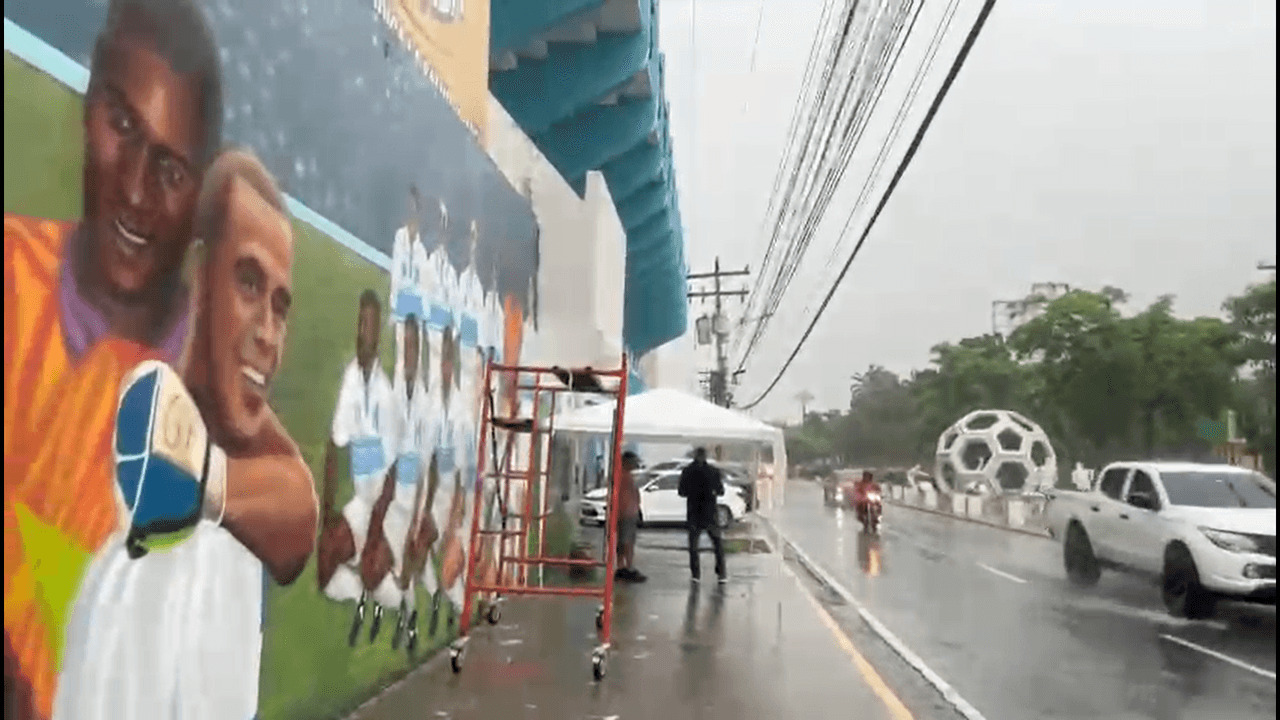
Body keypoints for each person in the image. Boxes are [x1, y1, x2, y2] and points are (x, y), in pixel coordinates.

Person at [4, 1, 223, 712]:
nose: (133, 190)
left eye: (172, 169)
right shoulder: (12, 273)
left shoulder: (214, 389)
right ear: (86, 105)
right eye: (122, 125)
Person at [48, 148, 317, 719]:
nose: (269, 334)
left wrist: (203, 481)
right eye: (249, 284)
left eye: (281, 306)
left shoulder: (235, 464)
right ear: (199, 274)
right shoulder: (141, 575)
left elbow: (299, 517)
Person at [316, 290, 399, 645]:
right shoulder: (351, 378)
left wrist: (376, 531)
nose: (364, 333)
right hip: (363, 504)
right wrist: (328, 514)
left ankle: (392, 601)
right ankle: (362, 599)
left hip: (388, 509)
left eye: (371, 326)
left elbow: (393, 474)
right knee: (324, 565)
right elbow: (335, 446)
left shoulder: (385, 394)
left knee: (372, 570)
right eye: (361, 324)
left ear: (378, 334)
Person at [679, 447, 727, 583]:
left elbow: (681, 492)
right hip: (710, 512)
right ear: (706, 456)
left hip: (694, 511)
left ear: (694, 456)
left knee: (693, 545)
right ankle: (721, 573)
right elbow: (721, 491)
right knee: (717, 544)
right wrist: (711, 491)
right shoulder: (713, 471)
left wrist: (692, 492)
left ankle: (696, 574)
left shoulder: (687, 471)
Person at [614, 451, 646, 582]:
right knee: (626, 541)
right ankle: (625, 567)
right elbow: (624, 497)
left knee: (627, 541)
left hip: (628, 514)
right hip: (626, 514)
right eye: (633, 462)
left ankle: (625, 566)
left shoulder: (626, 476)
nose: (635, 464)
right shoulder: (623, 476)